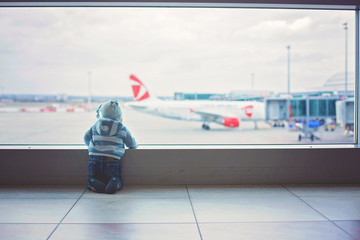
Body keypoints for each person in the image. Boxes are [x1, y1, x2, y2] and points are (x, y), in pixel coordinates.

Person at [84, 100, 137, 194]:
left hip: (94, 159)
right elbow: (130, 143)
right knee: (115, 176)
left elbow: (86, 137)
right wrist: (134, 145)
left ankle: (93, 182)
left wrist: (91, 146)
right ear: (119, 116)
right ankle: (114, 181)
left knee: (94, 176)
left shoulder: (95, 126)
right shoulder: (122, 128)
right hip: (112, 160)